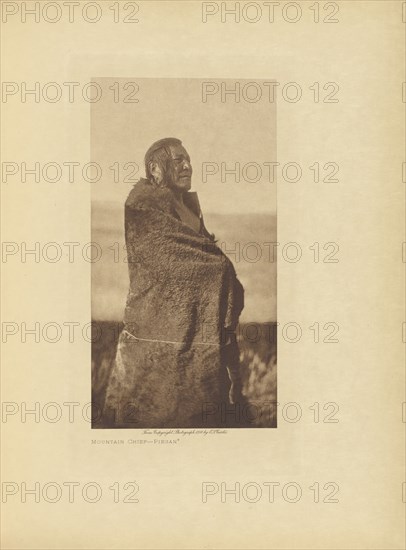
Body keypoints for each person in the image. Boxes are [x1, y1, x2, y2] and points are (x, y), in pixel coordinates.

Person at [102, 138, 245, 428]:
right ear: (155, 169)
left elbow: (202, 255)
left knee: (198, 423)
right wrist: (222, 270)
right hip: (152, 332)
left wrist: (221, 272)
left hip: (197, 333)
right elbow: (175, 262)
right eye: (178, 160)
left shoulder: (188, 208)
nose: (187, 166)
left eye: (188, 160)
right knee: (144, 421)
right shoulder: (143, 207)